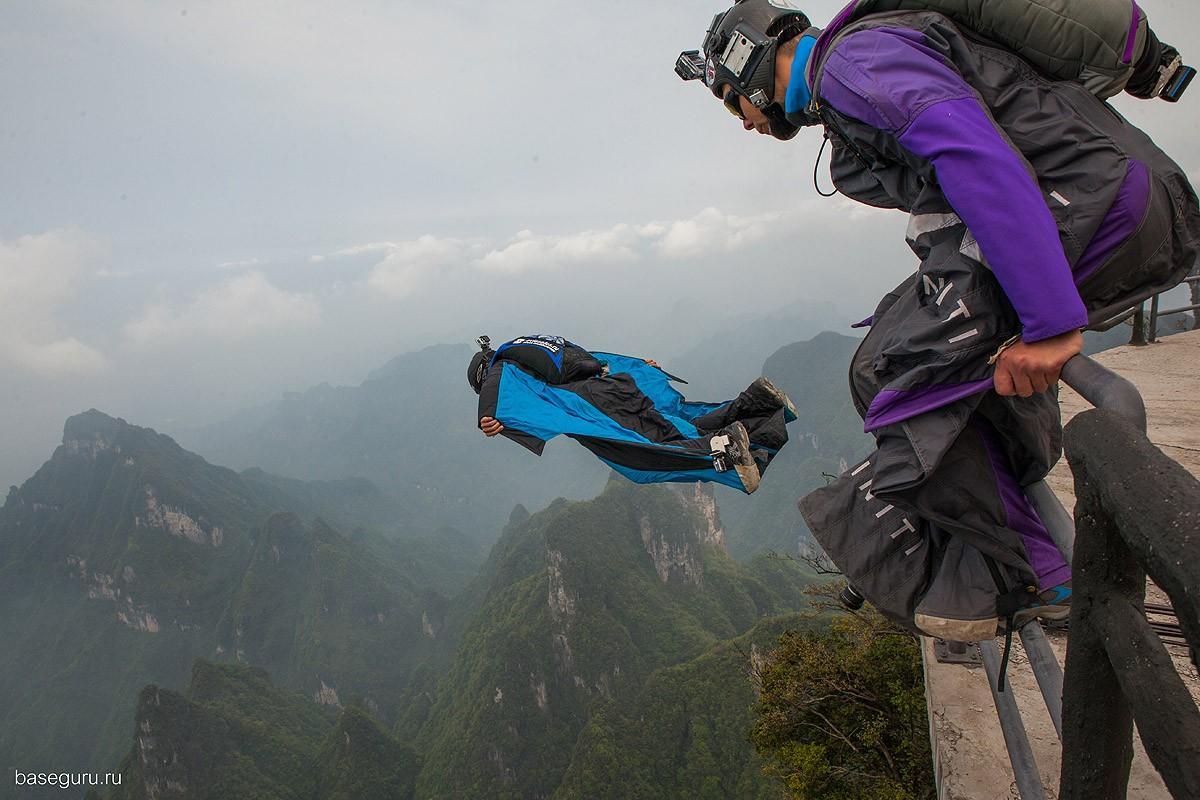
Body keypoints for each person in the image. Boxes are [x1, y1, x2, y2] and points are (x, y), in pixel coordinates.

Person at [678, 0, 1200, 639]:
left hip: (1098, 204)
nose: (744, 121)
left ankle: (1033, 572)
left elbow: (973, 157)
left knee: (897, 370)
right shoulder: (852, 84)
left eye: (735, 103)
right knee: (891, 356)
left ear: (752, 63)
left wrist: (1050, 323)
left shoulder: (853, 63)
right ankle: (1026, 557)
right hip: (1105, 196)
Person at [467, 334, 797, 494]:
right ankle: (758, 403)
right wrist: (639, 366)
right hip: (616, 385)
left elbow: (494, 391)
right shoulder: (536, 346)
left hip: (598, 402)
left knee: (640, 460)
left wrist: (487, 415)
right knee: (680, 426)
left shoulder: (501, 367)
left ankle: (724, 451)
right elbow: (594, 357)